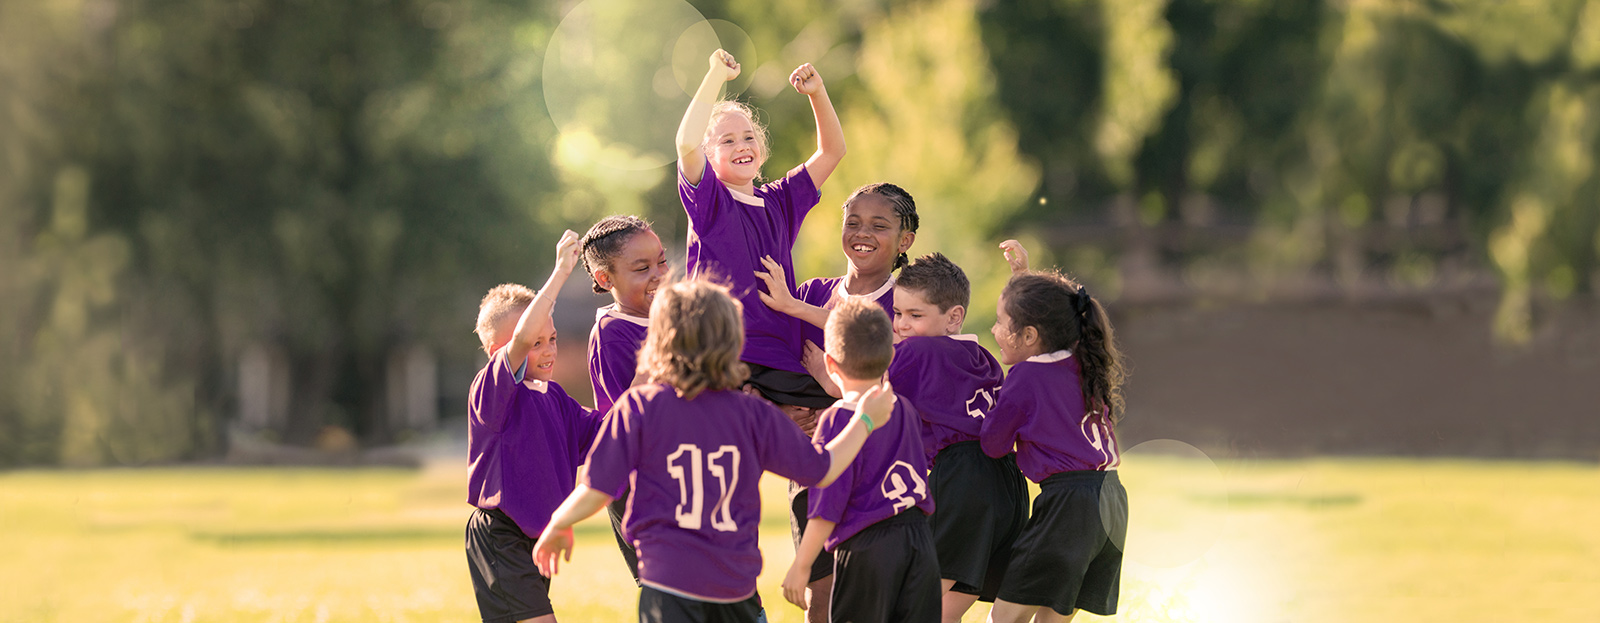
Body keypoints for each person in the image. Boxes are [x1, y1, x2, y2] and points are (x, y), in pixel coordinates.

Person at [532, 278, 896, 623]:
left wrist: (559, 523)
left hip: (667, 584)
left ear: (659, 341)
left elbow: (597, 489)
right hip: (734, 590)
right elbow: (824, 469)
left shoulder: (639, 407)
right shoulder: (752, 412)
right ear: (734, 340)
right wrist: (864, 419)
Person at [675, 48, 845, 412]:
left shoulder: (780, 201)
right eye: (727, 141)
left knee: (842, 415)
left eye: (749, 137)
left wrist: (817, 94)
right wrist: (716, 75)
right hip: (727, 356)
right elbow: (686, 143)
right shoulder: (710, 202)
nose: (742, 146)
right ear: (710, 154)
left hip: (779, 358)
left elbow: (832, 151)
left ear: (762, 147)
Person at [980, 241, 1130, 623]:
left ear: (1030, 336)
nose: (994, 329)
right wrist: (1022, 279)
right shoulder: (1081, 358)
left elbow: (993, 444)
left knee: (1003, 618)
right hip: (1110, 501)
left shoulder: (1026, 376)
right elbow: (1052, 314)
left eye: (1000, 322)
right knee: (1053, 617)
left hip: (1069, 505)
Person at [465, 230, 604, 623]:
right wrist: (561, 271)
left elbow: (610, 431)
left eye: (553, 339)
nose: (548, 349)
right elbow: (522, 336)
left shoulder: (555, 399)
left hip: (534, 539)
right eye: (536, 342)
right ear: (498, 353)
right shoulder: (491, 392)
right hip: (500, 534)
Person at [886, 252, 1027, 622]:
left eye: (915, 316)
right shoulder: (983, 357)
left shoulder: (915, 352)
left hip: (961, 476)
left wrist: (823, 374)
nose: (901, 325)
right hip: (1007, 481)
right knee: (958, 595)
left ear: (954, 317)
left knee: (921, 600)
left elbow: (867, 390)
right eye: (898, 313)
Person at [781, 298, 940, 623]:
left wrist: (802, 565)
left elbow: (827, 505)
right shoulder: (904, 408)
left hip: (868, 544)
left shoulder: (839, 420)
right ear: (890, 356)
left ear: (830, 364)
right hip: (918, 540)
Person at [581, 214, 671, 583]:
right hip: (642, 487)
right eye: (641, 268)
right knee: (671, 590)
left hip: (687, 471)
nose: (659, 274)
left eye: (662, 260)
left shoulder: (673, 319)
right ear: (606, 279)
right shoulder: (613, 332)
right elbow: (625, 417)